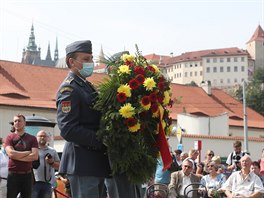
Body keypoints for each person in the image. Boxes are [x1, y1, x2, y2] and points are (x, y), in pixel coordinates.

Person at [56, 40, 111, 198]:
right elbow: (68, 129)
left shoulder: (86, 86)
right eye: (86, 59)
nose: (91, 63)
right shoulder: (69, 89)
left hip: (94, 163)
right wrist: (101, 139)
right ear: (72, 61)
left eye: (91, 58)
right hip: (82, 162)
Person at [5, 114, 39, 198]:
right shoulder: (9, 137)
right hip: (13, 175)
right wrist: (27, 153)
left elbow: (34, 156)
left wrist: (16, 156)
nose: (17, 123)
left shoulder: (32, 138)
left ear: (25, 123)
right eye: (15, 121)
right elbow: (11, 154)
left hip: (27, 175)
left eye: (19, 121)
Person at [32, 130, 60, 198]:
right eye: (40, 136)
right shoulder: (32, 150)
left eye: (44, 136)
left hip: (47, 183)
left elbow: (59, 166)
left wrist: (52, 162)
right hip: (34, 182)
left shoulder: (52, 151)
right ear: (36, 138)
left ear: (47, 138)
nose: (42, 138)